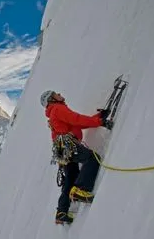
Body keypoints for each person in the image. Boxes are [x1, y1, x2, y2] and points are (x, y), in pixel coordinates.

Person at [40, 90, 113, 224]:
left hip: (62, 149)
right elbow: (77, 119)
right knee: (92, 158)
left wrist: (98, 118)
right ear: (51, 99)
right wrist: (100, 122)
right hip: (68, 145)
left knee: (71, 177)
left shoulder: (54, 112)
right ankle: (81, 189)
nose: (59, 93)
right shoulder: (58, 108)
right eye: (55, 93)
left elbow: (77, 123)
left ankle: (61, 212)